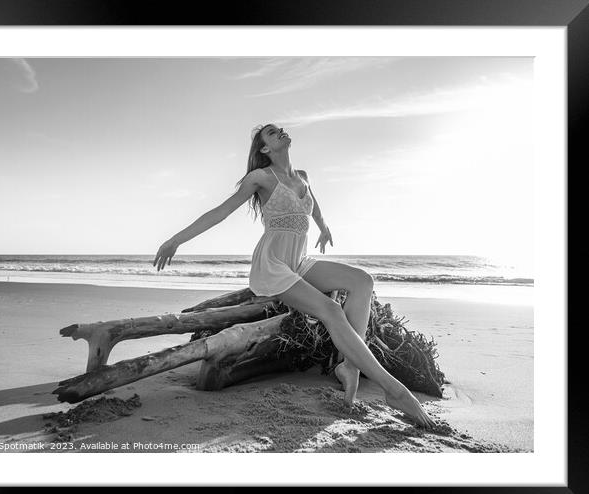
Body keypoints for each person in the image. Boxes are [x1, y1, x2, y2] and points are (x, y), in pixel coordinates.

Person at [153, 123, 435, 428]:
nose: (281, 132)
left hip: (299, 262)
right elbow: (220, 212)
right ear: (265, 149)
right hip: (273, 265)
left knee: (362, 281)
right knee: (331, 309)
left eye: (280, 130)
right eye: (272, 133)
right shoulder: (260, 178)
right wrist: (175, 240)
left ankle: (350, 366)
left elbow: (313, 207)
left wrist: (324, 228)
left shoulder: (303, 176)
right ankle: (394, 390)